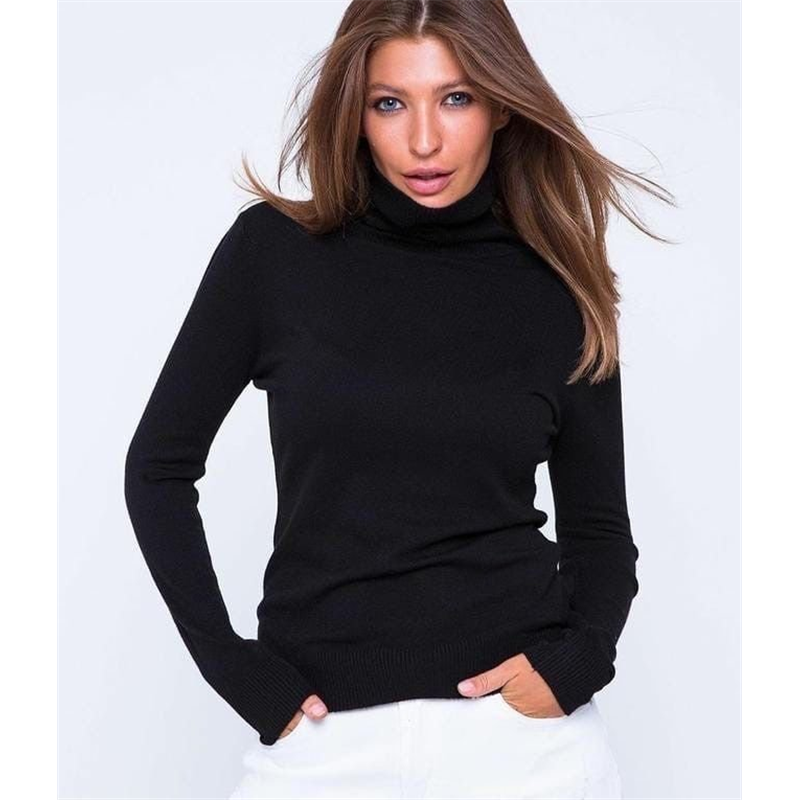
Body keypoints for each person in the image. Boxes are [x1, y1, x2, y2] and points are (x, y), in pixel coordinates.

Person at [124, 1, 672, 797]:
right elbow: (158, 469)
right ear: (355, 111)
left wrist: (578, 662)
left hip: (525, 752)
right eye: (390, 103)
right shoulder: (274, 257)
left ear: (502, 106)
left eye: (456, 98)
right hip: (322, 745)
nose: (423, 140)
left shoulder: (558, 284)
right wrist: (234, 670)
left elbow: (600, 529)